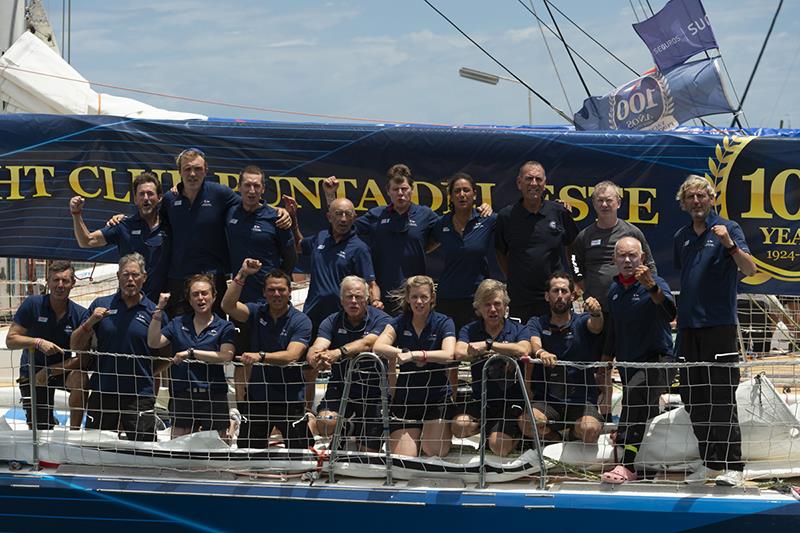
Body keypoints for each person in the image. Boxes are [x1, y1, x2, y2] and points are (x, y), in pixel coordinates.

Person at [673, 175, 757, 487]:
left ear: (711, 199)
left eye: (701, 196)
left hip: (719, 327)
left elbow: (750, 269)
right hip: (687, 330)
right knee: (692, 397)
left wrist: (729, 244)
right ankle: (710, 463)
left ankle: (733, 465)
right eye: (691, 197)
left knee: (722, 397)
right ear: (684, 203)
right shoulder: (681, 236)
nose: (696, 202)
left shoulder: (728, 229)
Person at [601, 237, 676, 484]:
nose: (627, 260)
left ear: (642, 258)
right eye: (622, 256)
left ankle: (628, 464)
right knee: (644, 409)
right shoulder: (613, 291)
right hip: (628, 363)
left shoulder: (655, 283)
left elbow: (670, 313)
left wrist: (651, 286)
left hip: (658, 359)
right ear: (615, 260)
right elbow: (611, 332)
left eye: (632, 255)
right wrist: (605, 363)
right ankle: (646, 465)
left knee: (634, 401)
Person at [69, 253, 166, 441]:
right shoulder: (100, 305)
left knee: (145, 448)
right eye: (125, 274)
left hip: (140, 394)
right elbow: (75, 344)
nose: (130, 279)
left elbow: (166, 355)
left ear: (144, 278)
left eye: (135, 275)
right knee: (95, 447)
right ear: (118, 276)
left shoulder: (154, 312)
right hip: (103, 390)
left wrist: (147, 372)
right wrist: (90, 322)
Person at [222, 260, 313, 449]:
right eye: (271, 290)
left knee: (302, 455)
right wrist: (242, 274)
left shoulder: (301, 320)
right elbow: (228, 306)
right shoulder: (256, 312)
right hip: (257, 398)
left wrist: (260, 356)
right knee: (249, 452)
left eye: (281, 290)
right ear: (264, 293)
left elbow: (292, 355)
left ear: (290, 292)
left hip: (290, 399)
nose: (276, 294)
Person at [373, 276, 456, 457]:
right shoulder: (399, 322)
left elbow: (449, 354)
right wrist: (402, 353)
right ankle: (417, 436)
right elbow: (378, 346)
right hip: (407, 397)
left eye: (424, 297)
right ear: (408, 299)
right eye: (415, 297)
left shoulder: (444, 322)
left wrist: (417, 355)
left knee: (434, 451)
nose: (419, 302)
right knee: (404, 457)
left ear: (432, 298)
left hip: (436, 397)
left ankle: (429, 436)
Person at [306, 276, 391, 452]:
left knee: (367, 455)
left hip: (374, 392)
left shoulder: (383, 320)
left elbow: (369, 343)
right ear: (341, 299)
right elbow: (319, 345)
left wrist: (338, 352)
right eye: (349, 296)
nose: (353, 301)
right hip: (341, 387)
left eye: (358, 297)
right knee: (324, 422)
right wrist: (316, 357)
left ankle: (352, 428)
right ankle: (345, 427)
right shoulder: (331, 321)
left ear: (367, 298)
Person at [147, 274, 235, 438]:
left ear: (214, 296)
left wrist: (192, 353)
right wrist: (159, 308)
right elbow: (154, 342)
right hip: (183, 393)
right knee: (180, 443)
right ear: (189, 299)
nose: (200, 298)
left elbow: (226, 355)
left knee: (217, 444)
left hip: (213, 394)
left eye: (204, 293)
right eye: (195, 294)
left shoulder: (225, 326)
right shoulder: (178, 323)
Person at [451, 279, 531, 456]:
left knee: (498, 446)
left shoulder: (518, 329)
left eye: (497, 304)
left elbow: (524, 349)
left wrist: (488, 346)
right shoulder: (469, 330)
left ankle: (517, 438)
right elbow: (459, 352)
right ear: (478, 308)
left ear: (506, 306)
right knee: (459, 426)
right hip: (482, 399)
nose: (493, 309)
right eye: (487, 305)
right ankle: (489, 432)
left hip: (512, 401)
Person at [5, 261, 87, 429]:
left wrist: (51, 370)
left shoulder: (79, 314)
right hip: (32, 371)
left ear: (73, 284)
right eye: (55, 280)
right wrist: (37, 342)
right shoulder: (32, 305)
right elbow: (11, 340)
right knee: (40, 428)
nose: (60, 285)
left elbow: (83, 359)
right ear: (48, 282)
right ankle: (48, 421)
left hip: (62, 370)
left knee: (80, 377)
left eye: (65, 281)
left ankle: (75, 433)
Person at [525, 272, 604, 444]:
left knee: (590, 430)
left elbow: (596, 327)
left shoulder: (583, 321)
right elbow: (534, 344)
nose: (560, 296)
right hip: (548, 401)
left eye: (564, 291)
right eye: (555, 291)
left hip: (581, 400)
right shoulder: (536, 323)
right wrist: (541, 353)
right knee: (527, 422)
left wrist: (597, 313)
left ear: (572, 296)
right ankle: (555, 439)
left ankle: (574, 435)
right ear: (547, 296)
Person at [495, 161, 578, 324]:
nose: (534, 183)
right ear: (519, 183)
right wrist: (514, 276)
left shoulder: (559, 212)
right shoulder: (506, 216)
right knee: (522, 347)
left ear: (545, 184)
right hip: (521, 298)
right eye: (529, 179)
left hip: (555, 296)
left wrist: (576, 277)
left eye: (538, 179)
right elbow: (500, 251)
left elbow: (573, 245)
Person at [70, 172, 170, 302]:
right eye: (141, 194)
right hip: (130, 303)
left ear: (160, 197)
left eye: (150, 193)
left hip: (164, 303)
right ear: (135, 199)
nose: (146, 198)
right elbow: (86, 241)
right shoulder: (123, 226)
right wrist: (76, 214)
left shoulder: (171, 225)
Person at [285, 196, 380, 329]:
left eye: (348, 214)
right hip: (312, 313)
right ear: (329, 217)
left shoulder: (360, 248)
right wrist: (293, 218)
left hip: (341, 319)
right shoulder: (321, 237)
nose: (343, 219)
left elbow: (371, 284)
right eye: (338, 214)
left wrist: (375, 301)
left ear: (354, 218)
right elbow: (299, 246)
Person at [428, 172, 498, 331]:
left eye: (466, 190)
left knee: (474, 348)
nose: (462, 195)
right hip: (447, 297)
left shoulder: (487, 220)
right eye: (457, 191)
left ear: (474, 194)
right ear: (451, 197)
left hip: (478, 298)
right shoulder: (441, 223)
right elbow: (423, 246)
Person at [572, 180, 656, 310]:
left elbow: (650, 265)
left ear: (618, 203)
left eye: (609, 200)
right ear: (594, 204)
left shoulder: (633, 232)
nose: (604, 204)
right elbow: (575, 265)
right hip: (596, 308)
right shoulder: (584, 236)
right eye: (600, 200)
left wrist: (651, 292)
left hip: (630, 306)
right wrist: (588, 290)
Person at [225, 165, 296, 304]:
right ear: (239, 187)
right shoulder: (229, 213)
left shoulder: (277, 217)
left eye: (256, 186)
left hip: (269, 298)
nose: (252, 191)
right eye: (247, 185)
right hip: (239, 298)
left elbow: (290, 258)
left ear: (263, 189)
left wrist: (275, 281)